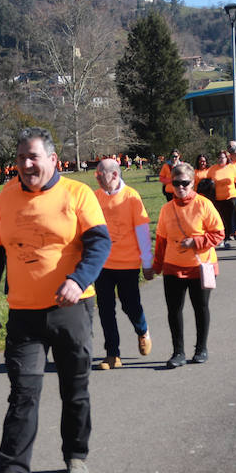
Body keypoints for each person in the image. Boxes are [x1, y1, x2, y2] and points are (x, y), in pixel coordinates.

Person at [0, 127, 110, 473]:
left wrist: (77, 281)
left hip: (72, 309)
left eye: (34, 156)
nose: (27, 164)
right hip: (24, 314)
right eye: (21, 158)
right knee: (23, 392)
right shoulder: (5, 198)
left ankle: (76, 454)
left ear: (53, 159)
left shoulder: (77, 194)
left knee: (75, 388)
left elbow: (99, 243)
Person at [152, 162, 223, 368]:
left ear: (193, 182)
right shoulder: (167, 209)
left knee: (200, 307)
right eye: (176, 183)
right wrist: (156, 266)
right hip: (173, 266)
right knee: (174, 310)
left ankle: (201, 348)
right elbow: (161, 240)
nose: (180, 187)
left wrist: (196, 242)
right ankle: (178, 352)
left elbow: (218, 233)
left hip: (201, 266)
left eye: (184, 183)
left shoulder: (203, 204)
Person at [92, 158, 152, 371]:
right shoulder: (95, 197)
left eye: (101, 175)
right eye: (96, 175)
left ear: (115, 175)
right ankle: (112, 354)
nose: (98, 179)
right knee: (106, 309)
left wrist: (147, 262)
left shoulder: (131, 197)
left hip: (127, 263)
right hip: (103, 265)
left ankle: (142, 330)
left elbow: (142, 232)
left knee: (130, 305)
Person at [206, 150, 236, 248]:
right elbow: (208, 183)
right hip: (217, 198)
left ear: (227, 159)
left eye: (223, 158)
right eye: (219, 157)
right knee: (220, 219)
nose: (221, 159)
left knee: (229, 218)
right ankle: (221, 238)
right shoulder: (213, 169)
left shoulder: (232, 168)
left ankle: (227, 237)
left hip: (231, 197)